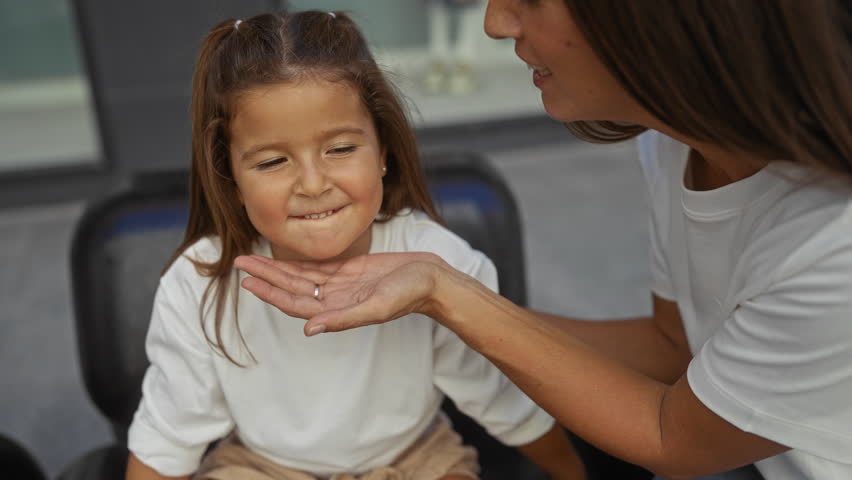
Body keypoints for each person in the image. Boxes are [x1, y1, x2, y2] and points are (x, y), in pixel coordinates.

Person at [234, 1, 852, 479]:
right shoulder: (672, 141)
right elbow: (673, 346)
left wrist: (449, 295)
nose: (496, 22)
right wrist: (439, 314)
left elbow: (675, 439)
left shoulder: (834, 238)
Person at [125, 9, 586, 480]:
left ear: (382, 151)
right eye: (272, 162)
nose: (311, 183)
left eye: (341, 149)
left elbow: (503, 400)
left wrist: (574, 474)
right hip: (259, 468)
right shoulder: (197, 283)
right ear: (231, 178)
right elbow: (168, 438)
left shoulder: (441, 264)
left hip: (415, 461)